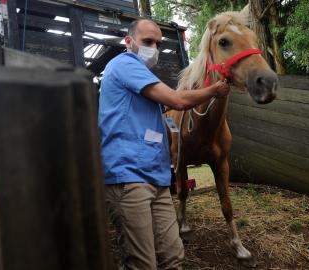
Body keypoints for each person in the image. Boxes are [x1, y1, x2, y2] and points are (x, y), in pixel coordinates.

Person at [98, 18, 230, 270]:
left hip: (156, 178)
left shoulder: (144, 77)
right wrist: (213, 90)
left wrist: (199, 85)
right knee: (142, 263)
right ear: (129, 41)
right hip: (128, 178)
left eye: (157, 43)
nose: (153, 48)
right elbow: (177, 100)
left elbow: (170, 103)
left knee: (173, 255)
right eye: (147, 41)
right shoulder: (124, 64)